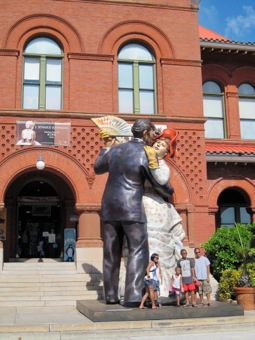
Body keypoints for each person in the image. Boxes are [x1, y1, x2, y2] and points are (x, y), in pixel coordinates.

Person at [94, 118, 173, 307]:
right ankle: (133, 296)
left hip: (109, 208)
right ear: (145, 133)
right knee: (137, 250)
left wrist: (106, 146)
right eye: (153, 134)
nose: (154, 139)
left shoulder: (115, 149)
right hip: (132, 209)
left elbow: (98, 168)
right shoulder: (146, 153)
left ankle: (111, 296)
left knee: (110, 253)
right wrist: (168, 191)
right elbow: (158, 182)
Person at [142, 128, 185, 297]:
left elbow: (161, 179)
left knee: (161, 243)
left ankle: (166, 289)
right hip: (142, 203)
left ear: (166, 152)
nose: (158, 146)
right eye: (157, 143)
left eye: (162, 146)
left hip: (157, 207)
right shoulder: (142, 158)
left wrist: (153, 161)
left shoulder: (161, 165)